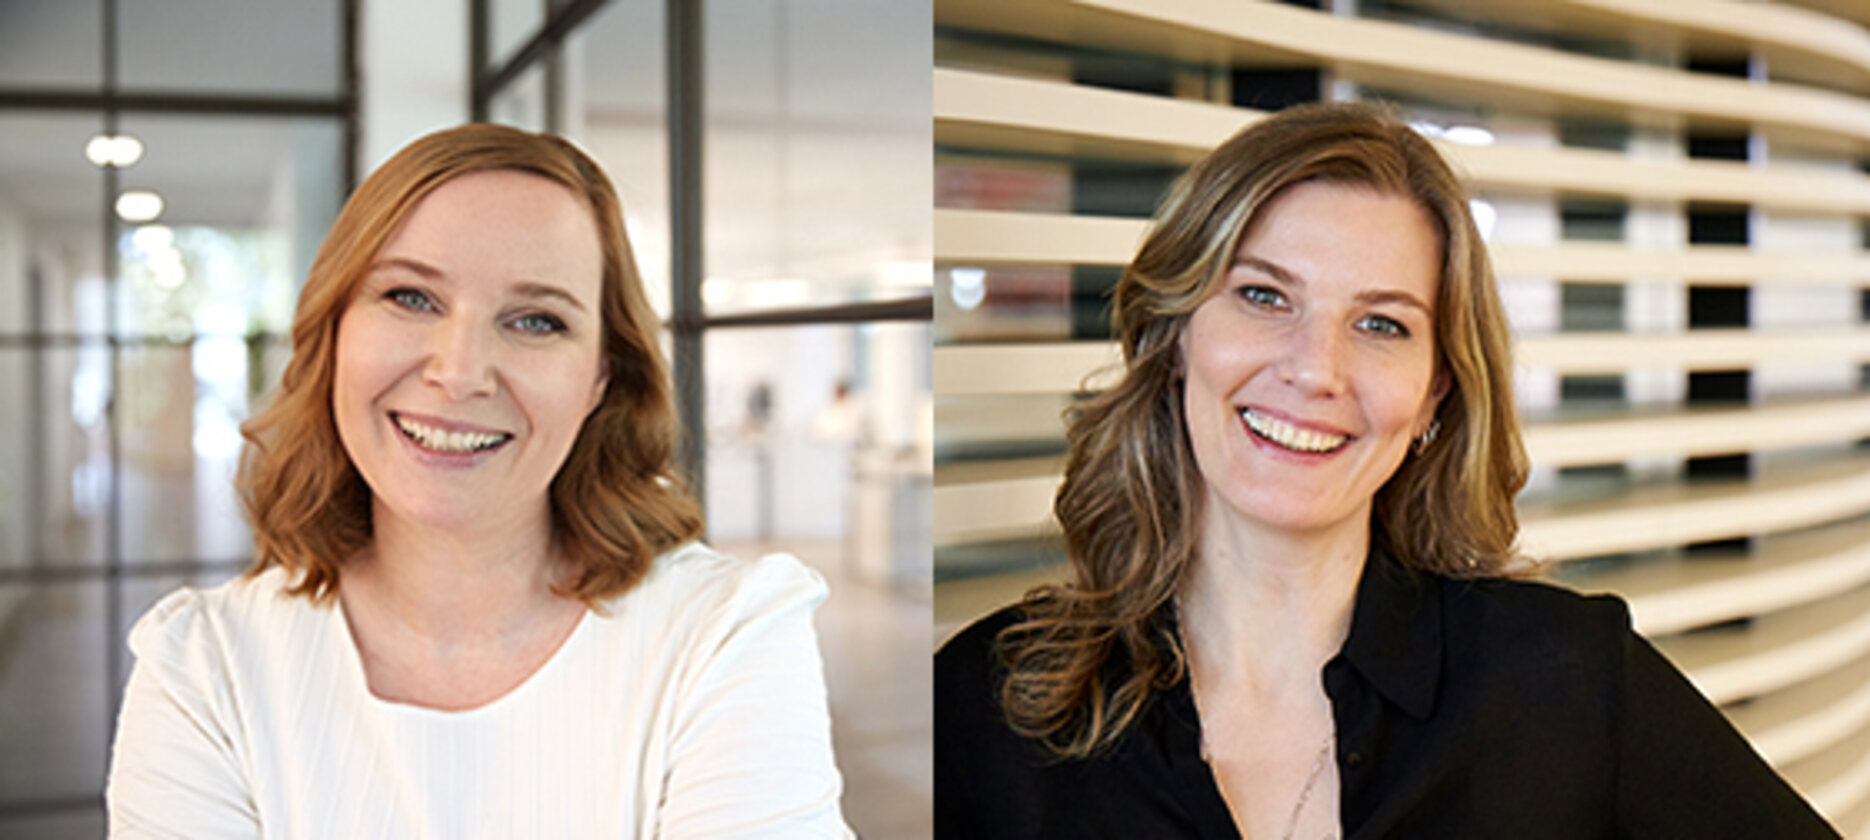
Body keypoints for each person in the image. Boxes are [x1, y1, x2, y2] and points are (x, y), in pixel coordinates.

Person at [933, 102, 1838, 839]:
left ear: (1436, 387)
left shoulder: (1566, 681)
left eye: (1381, 324)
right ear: (1178, 338)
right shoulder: (983, 708)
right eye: (1264, 295)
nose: (1315, 370)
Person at [107, 123, 852, 838]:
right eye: (411, 297)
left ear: (600, 378)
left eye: (536, 321)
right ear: (333, 332)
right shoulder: (204, 670)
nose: (459, 373)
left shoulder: (724, 637)